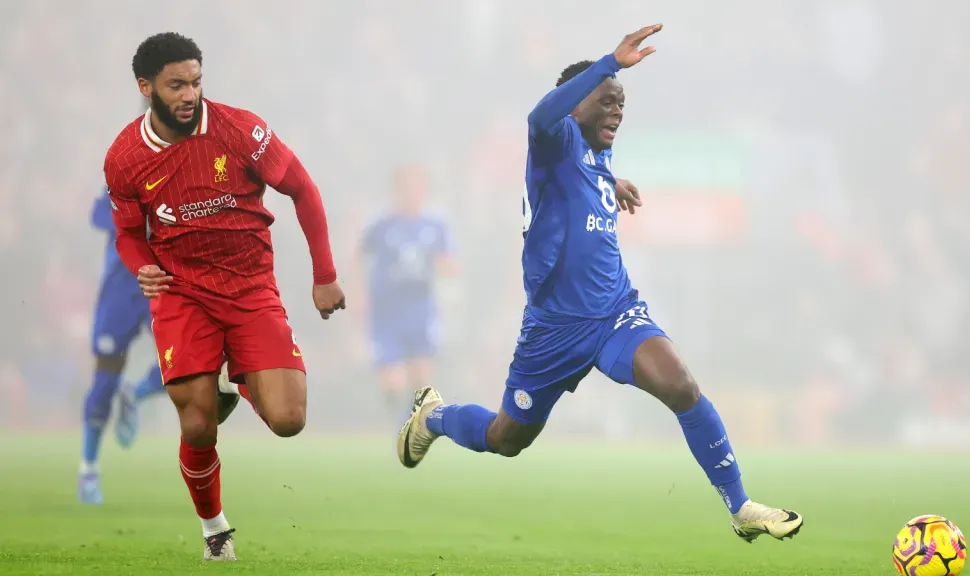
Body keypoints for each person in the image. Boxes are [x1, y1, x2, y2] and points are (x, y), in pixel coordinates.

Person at [398, 24, 804, 542]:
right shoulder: (554, 137)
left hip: (615, 312)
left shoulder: (596, 154)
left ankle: (740, 506)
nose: (617, 111)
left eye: (622, 106)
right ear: (578, 102)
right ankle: (433, 416)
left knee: (680, 384)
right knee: (506, 438)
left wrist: (611, 179)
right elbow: (539, 117)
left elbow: (583, 175)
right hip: (554, 328)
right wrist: (609, 62)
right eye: (608, 101)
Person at [104, 32, 345, 561]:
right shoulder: (125, 157)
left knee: (288, 421)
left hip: (250, 286)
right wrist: (142, 265)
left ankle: (231, 382)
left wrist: (323, 274)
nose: (189, 94)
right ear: (147, 88)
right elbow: (127, 232)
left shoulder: (240, 129)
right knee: (196, 422)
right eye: (176, 85)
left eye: (195, 81)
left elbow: (302, 187)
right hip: (181, 290)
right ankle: (215, 530)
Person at [78, 184, 167, 506]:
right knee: (105, 379)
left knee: (186, 363)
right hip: (122, 285)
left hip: (164, 283)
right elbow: (99, 215)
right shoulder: (125, 167)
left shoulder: (187, 162)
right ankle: (88, 470)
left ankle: (136, 393)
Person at [359, 164, 457, 425]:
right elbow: (358, 256)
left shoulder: (435, 224)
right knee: (392, 381)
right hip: (387, 310)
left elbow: (450, 263)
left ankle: (411, 429)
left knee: (422, 381)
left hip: (420, 308)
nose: (413, 191)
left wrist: (445, 269)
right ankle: (395, 417)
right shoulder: (381, 225)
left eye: (417, 185)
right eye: (407, 185)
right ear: (396, 189)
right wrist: (358, 293)